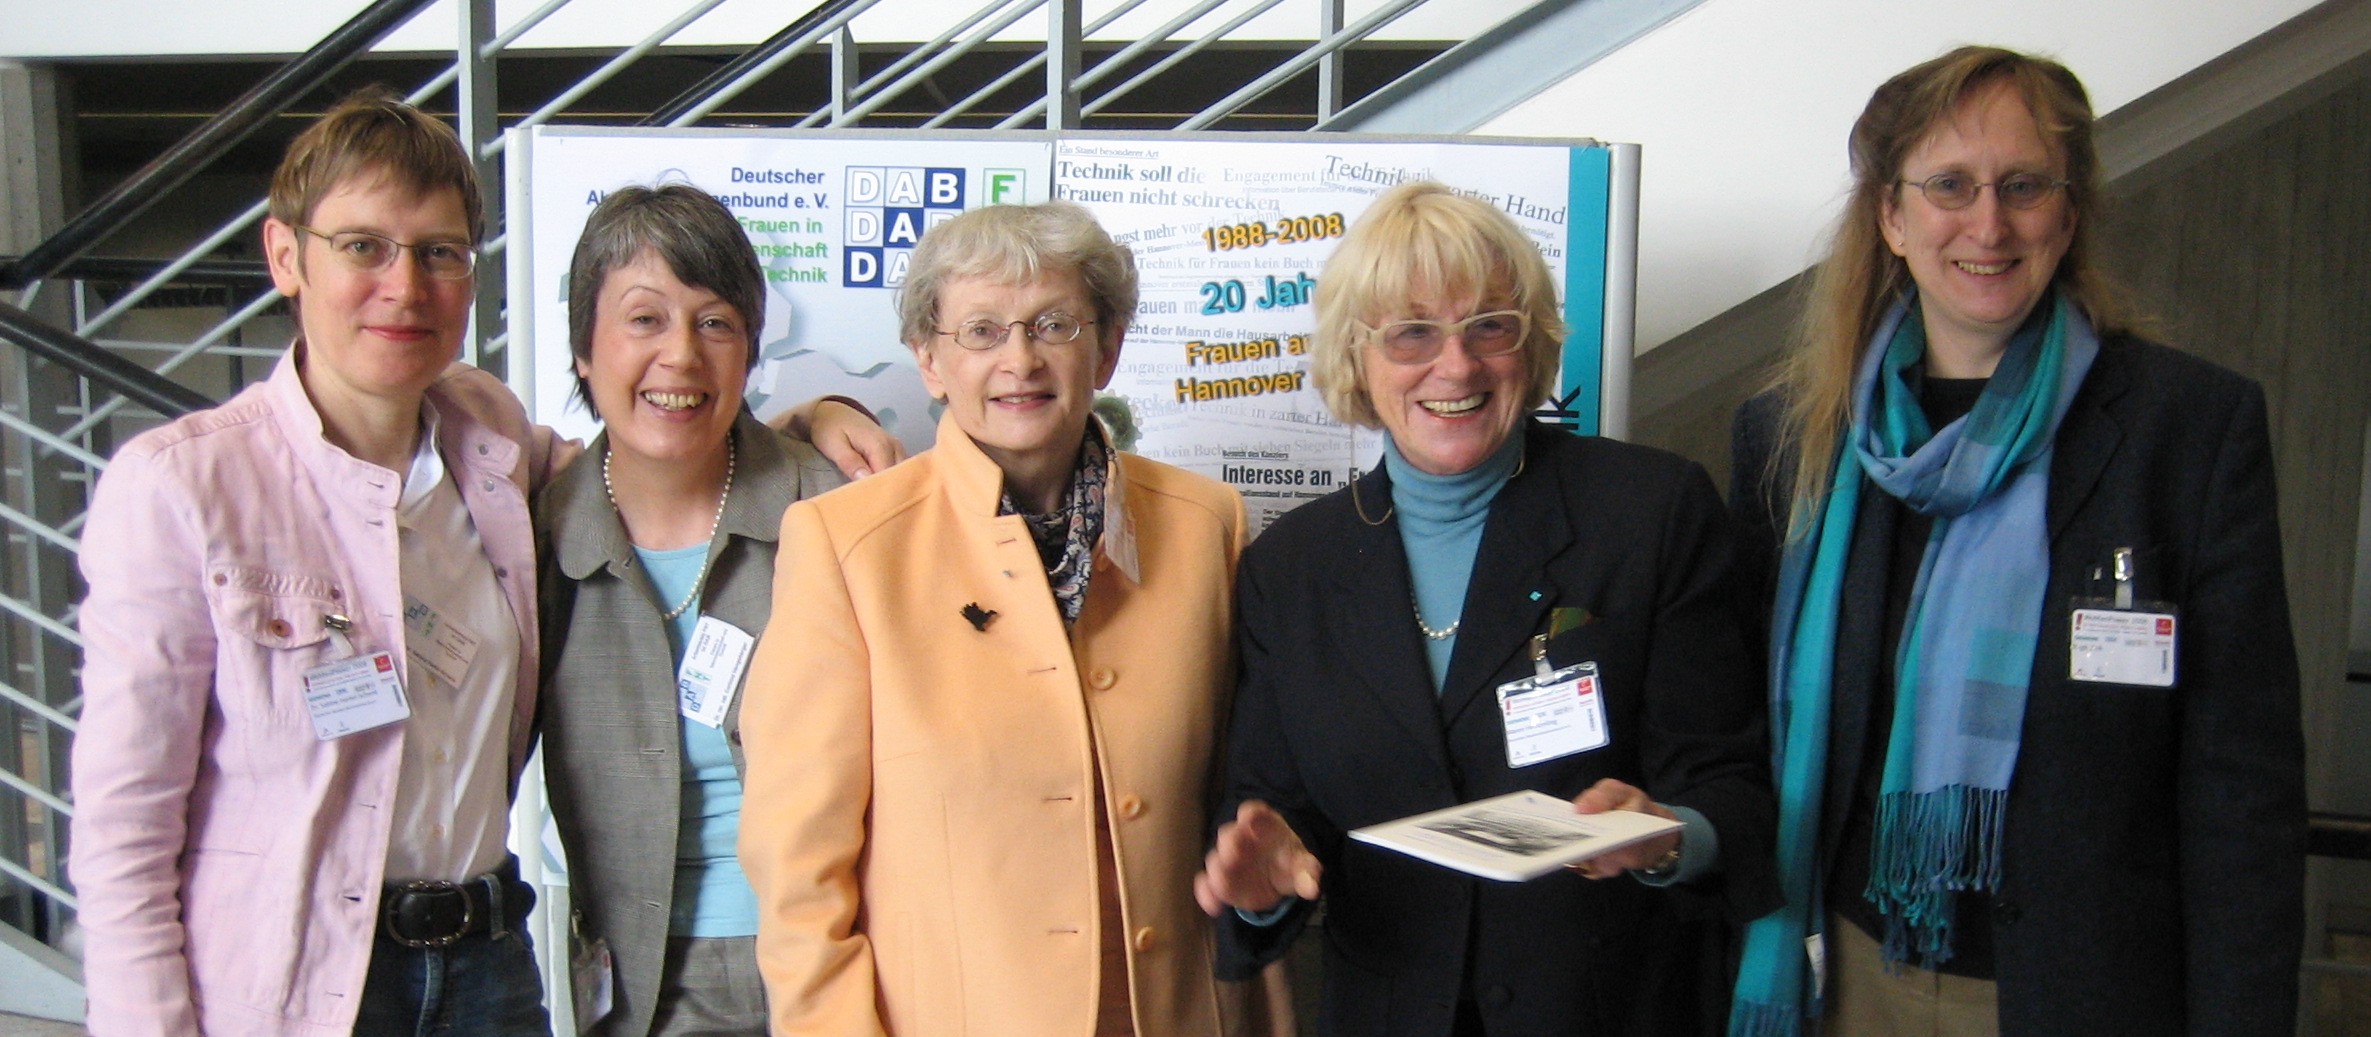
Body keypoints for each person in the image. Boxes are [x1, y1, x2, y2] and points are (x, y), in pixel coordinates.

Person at [68, 92, 892, 1036]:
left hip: (487, 970)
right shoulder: (183, 485)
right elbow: (123, 831)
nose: (405, 286)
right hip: (291, 987)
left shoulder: (493, 453)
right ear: (287, 257)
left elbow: (663, 455)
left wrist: (808, 423)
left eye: (439, 253)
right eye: (364, 246)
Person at [1725, 46, 2304, 1037]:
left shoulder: (2187, 431)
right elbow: (1735, 729)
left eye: (2023, 186)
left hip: (2089, 989)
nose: (1986, 224)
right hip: (1846, 978)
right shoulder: (1793, 436)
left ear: (2066, 215)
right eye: (1948, 185)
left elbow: (2240, 794)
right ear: (1892, 218)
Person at [1194, 180, 1777, 1036]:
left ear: (1530, 344)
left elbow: (1732, 783)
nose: (1456, 365)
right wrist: (1264, 874)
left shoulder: (1648, 512)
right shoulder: (1292, 568)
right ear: (1356, 358)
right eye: (1412, 334)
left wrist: (1669, 832)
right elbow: (1273, 808)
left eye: (1489, 327)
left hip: (1609, 1008)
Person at [737, 200, 1254, 1036]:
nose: (1019, 358)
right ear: (929, 361)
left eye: (1053, 324)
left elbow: (1244, 795)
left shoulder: (1206, 525)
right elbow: (798, 875)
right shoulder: (845, 546)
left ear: (1108, 348)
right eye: (980, 331)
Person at [536, 183, 893, 1035]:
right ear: (585, 349)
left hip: (839, 964)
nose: (681, 357)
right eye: (644, 319)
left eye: (715, 322)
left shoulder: (832, 505)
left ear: (748, 353)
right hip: (639, 981)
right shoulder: (535, 534)